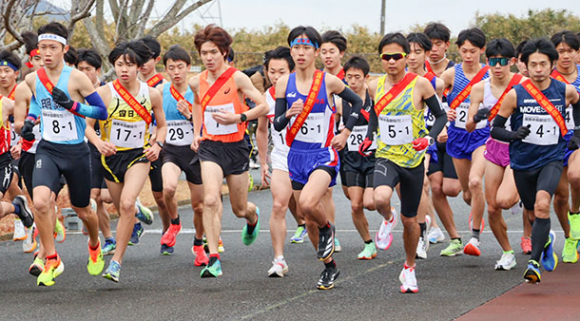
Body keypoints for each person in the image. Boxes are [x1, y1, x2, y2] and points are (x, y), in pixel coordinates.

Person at [274, 25, 364, 290]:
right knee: (306, 216)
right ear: (291, 50)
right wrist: (288, 114)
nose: (301, 53)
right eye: (296, 47)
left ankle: (328, 229)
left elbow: (357, 103)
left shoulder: (328, 81)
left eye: (307, 48)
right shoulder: (283, 83)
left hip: (323, 154)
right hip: (296, 155)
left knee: (310, 204)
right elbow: (278, 125)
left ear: (315, 51)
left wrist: (346, 132)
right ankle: (329, 266)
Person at [19, 22, 108, 286]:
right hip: (48, 148)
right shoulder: (33, 78)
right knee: (41, 201)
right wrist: (30, 121)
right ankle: (52, 258)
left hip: (76, 152)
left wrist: (73, 105)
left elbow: (101, 111)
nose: (46, 53)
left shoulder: (77, 78)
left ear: (64, 49)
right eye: (43, 48)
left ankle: (94, 243)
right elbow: (37, 101)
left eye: (52, 48)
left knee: (82, 209)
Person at [363, 32, 447, 293]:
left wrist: (429, 139)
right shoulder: (375, 85)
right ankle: (387, 218)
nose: (391, 62)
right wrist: (369, 137)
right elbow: (375, 115)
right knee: (379, 198)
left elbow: (441, 117)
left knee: (411, 221)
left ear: (406, 57)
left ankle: (409, 268)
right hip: (387, 155)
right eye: (385, 57)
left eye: (396, 56)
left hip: (412, 160)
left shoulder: (421, 85)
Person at [491, 37, 580, 283]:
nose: (539, 69)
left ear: (551, 64)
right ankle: (546, 240)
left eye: (543, 64)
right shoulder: (515, 95)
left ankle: (533, 263)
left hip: (551, 158)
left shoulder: (565, 91)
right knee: (533, 213)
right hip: (522, 162)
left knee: (542, 205)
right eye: (534, 65)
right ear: (525, 66)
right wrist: (513, 135)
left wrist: (577, 134)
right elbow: (495, 129)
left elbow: (578, 107)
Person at [189, 24, 268, 278]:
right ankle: (214, 258)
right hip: (210, 147)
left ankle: (252, 217)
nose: (209, 58)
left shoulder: (237, 78)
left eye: (213, 52)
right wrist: (197, 132)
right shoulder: (196, 81)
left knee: (239, 208)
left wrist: (239, 117)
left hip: (236, 147)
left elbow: (263, 106)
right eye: (204, 53)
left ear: (224, 52)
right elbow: (198, 104)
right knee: (210, 199)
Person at [86, 40, 166, 282]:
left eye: (129, 65)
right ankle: (136, 215)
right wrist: (99, 143)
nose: (124, 69)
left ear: (139, 67)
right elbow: (88, 127)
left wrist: (157, 145)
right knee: (122, 209)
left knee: (127, 204)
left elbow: (162, 126)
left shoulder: (151, 94)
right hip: (111, 158)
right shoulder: (103, 93)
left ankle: (116, 263)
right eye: (119, 64)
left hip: (138, 156)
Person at [467, 38, 525, 270]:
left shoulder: (523, 83)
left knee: (505, 199)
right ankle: (507, 252)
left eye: (502, 62)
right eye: (493, 62)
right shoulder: (480, 88)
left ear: (512, 62)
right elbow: (469, 126)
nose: (498, 67)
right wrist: (477, 118)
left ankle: (522, 198)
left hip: (520, 148)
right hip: (495, 146)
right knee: (492, 207)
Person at [256, 46, 305, 276]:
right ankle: (279, 259)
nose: (275, 77)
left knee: (309, 207)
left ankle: (322, 232)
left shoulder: (306, 91)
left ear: (292, 70)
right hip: (282, 157)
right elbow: (262, 130)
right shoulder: (266, 97)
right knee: (278, 205)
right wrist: (263, 160)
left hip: (309, 156)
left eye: (281, 72)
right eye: (271, 72)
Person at [441, 28, 490, 256]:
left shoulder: (490, 74)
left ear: (482, 50)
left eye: (473, 51)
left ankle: (475, 237)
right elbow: (433, 97)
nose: (468, 56)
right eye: (464, 51)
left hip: (483, 136)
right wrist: (445, 113)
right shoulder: (451, 74)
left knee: (474, 182)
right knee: (467, 193)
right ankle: (476, 208)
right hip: (458, 136)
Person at [157, 45, 207, 264]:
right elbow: (155, 122)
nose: (176, 72)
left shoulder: (198, 91)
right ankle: (175, 222)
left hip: (195, 151)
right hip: (172, 150)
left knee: (199, 206)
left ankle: (198, 243)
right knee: (168, 187)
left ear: (188, 67)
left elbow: (208, 126)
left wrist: (189, 116)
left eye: (180, 67)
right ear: (166, 70)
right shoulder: (160, 91)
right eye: (171, 68)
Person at [406, 32, 446, 259]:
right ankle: (425, 224)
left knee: (421, 183)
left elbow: (438, 111)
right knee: (408, 191)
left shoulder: (434, 83)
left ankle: (422, 233)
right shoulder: (395, 82)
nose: (412, 57)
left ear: (426, 54)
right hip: (399, 142)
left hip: (424, 140)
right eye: (408, 52)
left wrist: (440, 131)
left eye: (417, 52)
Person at [423, 23, 462, 249]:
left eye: (439, 44)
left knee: (452, 189)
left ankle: (474, 200)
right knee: (432, 186)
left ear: (447, 45)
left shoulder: (456, 72)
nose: (434, 49)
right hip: (428, 135)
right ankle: (442, 231)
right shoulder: (419, 72)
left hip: (454, 136)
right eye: (431, 45)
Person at [336, 55, 378, 260]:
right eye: (349, 77)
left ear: (366, 77)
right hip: (350, 158)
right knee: (355, 204)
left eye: (357, 77)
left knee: (370, 203)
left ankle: (388, 215)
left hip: (372, 157)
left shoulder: (374, 97)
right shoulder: (341, 102)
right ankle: (369, 243)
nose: (352, 81)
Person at [76, 48, 116, 256]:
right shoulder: (74, 93)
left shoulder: (108, 92)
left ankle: (135, 209)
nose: (84, 73)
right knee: (95, 197)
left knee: (108, 197)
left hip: (111, 149)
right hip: (87, 150)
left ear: (98, 71)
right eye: (80, 69)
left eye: (88, 69)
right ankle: (108, 238)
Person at [549, 31, 580, 263]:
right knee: (560, 197)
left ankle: (576, 214)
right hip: (553, 140)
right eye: (561, 51)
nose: (566, 55)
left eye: (570, 50)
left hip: (578, 138)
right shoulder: (547, 79)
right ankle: (570, 237)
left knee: (576, 176)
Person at [515, 39, 534, 255]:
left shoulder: (552, 84)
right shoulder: (513, 86)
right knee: (527, 198)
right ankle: (527, 237)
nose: (526, 66)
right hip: (517, 147)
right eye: (522, 61)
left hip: (549, 146)